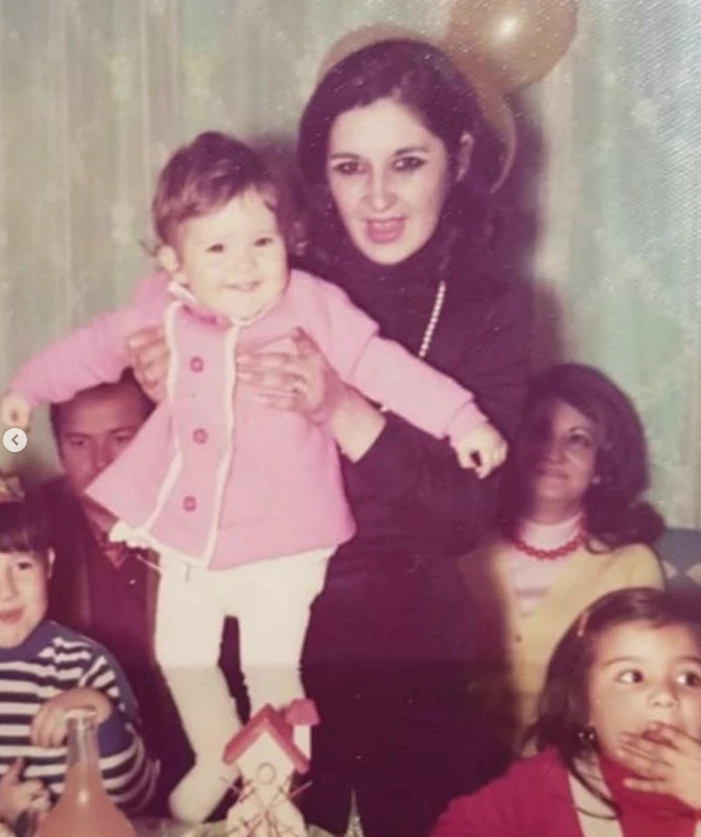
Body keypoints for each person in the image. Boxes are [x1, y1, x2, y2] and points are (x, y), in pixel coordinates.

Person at [0, 128, 509, 824]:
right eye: (217, 248)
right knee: (180, 654)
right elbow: (90, 349)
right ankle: (218, 753)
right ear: (174, 260)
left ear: (287, 239)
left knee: (270, 668)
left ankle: (277, 789)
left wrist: (463, 420)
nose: (245, 265)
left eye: (262, 242)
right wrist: (23, 392)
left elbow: (384, 367)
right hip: (191, 537)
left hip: (285, 541)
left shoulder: (312, 305)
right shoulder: (160, 308)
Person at [129, 39, 531, 837]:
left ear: (458, 158)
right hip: (249, 638)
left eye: (406, 162)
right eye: (349, 167)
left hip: (404, 654)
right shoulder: (270, 267)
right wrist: (164, 382)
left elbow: (464, 518)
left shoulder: (493, 304)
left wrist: (342, 407)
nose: (377, 196)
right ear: (321, 174)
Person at [31, 371, 241, 817]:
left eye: (122, 439)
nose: (101, 463)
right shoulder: (33, 529)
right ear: (60, 451)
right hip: (83, 776)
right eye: (79, 443)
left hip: (203, 765)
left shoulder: (207, 519)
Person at [460, 363, 665, 754]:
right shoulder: (464, 549)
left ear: (602, 467)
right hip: (461, 767)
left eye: (578, 440)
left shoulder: (631, 565)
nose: (553, 453)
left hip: (573, 770)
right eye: (539, 432)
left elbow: (636, 700)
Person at [432, 586, 701, 836]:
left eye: (689, 678)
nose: (665, 696)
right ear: (584, 706)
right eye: (632, 677)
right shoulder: (542, 786)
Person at [0, 477, 156, 834]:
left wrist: (98, 710)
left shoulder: (85, 665)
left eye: (22, 566)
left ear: (49, 565)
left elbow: (135, 796)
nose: (5, 591)